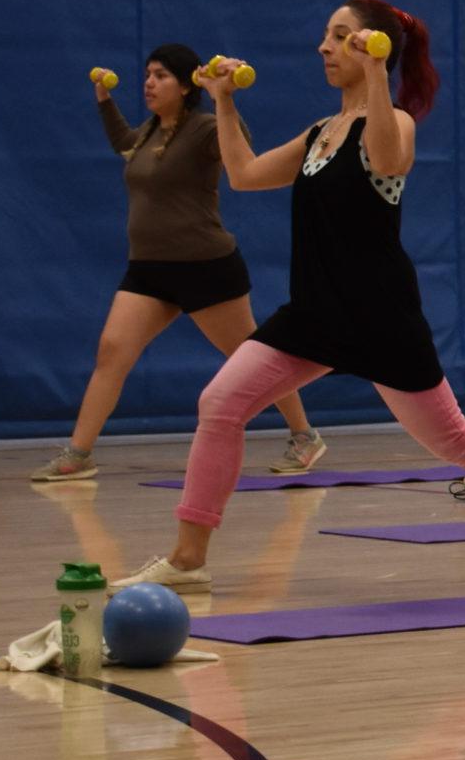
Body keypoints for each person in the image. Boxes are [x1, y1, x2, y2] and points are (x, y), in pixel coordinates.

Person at [112, 0, 465, 590]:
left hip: (379, 317)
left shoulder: (394, 123)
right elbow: (243, 174)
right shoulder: (321, 132)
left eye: (340, 36)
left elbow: (391, 158)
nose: (324, 46)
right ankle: (189, 558)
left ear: (372, 48)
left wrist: (376, 72)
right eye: (326, 34)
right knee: (220, 403)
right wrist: (222, 100)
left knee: (452, 437)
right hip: (314, 313)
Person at [34, 46, 324, 483]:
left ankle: (304, 436)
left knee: (252, 356)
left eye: (161, 75)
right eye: (148, 74)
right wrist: (104, 101)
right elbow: (124, 144)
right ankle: (79, 453)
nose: (149, 82)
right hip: (149, 270)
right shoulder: (150, 131)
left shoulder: (206, 128)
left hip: (205, 268)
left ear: (187, 85)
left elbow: (239, 148)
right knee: (111, 352)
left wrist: (226, 97)